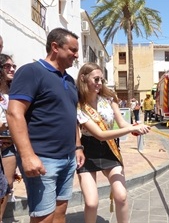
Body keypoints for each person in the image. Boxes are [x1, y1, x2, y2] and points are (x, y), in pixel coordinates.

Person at [6, 28, 85, 223]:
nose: (76, 55)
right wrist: (27, 156)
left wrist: (77, 146)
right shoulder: (32, 71)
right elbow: (14, 113)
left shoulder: (68, 79)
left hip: (67, 158)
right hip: (42, 159)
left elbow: (71, 116)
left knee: (60, 212)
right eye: (73, 50)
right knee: (44, 217)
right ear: (55, 47)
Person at [76, 62, 150, 223]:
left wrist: (135, 127)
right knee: (91, 203)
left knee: (121, 196)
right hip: (88, 151)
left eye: (102, 80)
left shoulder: (109, 99)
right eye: (96, 79)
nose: (100, 83)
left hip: (110, 150)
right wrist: (130, 130)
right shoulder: (79, 105)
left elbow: (122, 124)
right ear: (83, 78)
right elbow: (100, 135)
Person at [0, 54, 17, 222]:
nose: (12, 69)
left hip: (10, 145)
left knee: (7, 186)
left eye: (13, 66)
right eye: (7, 66)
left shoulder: (16, 92)